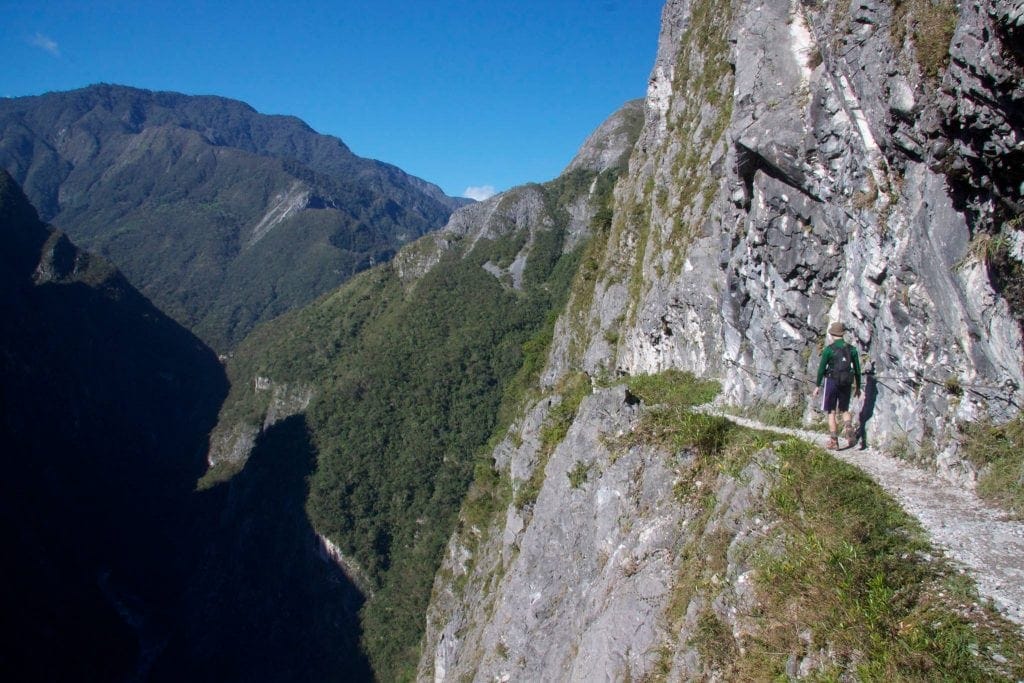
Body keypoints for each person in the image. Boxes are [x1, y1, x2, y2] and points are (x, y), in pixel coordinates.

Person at [812, 321, 862, 449]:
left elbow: (821, 369)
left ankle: (834, 441)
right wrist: (858, 387)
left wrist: (817, 385)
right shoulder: (852, 350)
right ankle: (848, 426)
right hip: (846, 381)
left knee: (831, 412)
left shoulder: (829, 350)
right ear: (843, 334)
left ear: (832, 334)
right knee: (844, 409)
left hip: (831, 381)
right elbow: (857, 370)